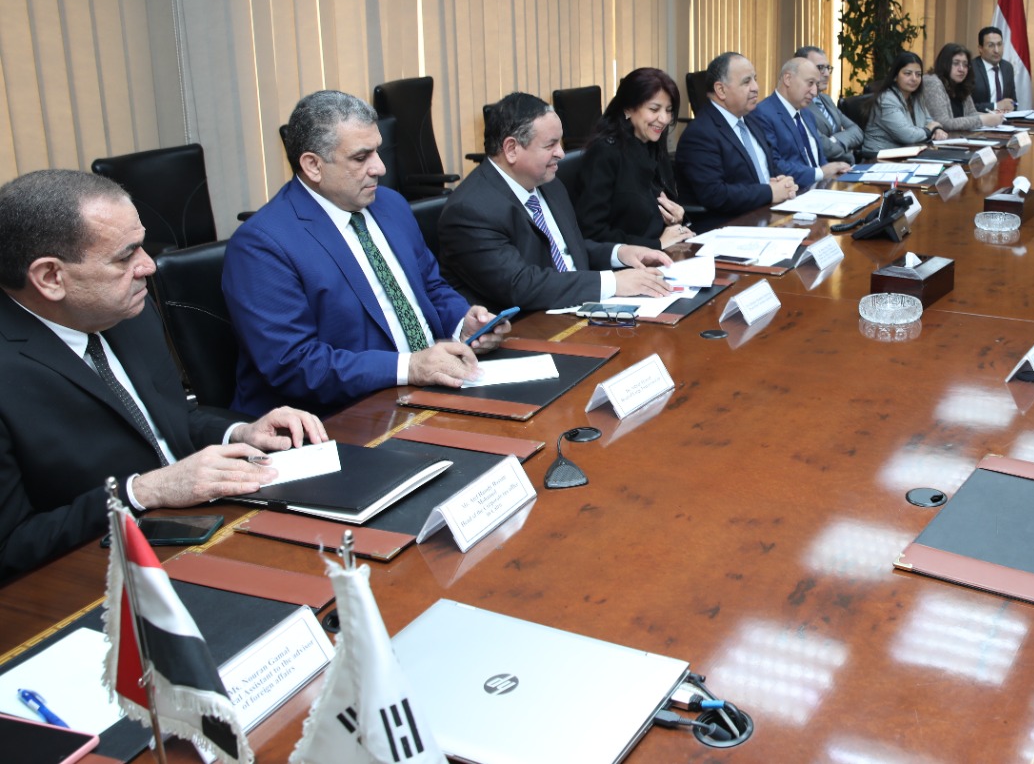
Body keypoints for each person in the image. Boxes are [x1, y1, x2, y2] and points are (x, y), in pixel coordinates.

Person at [0, 170, 328, 581]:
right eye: (126, 257)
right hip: (102, 575)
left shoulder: (125, 310)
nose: (149, 265)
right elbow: (10, 547)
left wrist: (240, 432)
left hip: (211, 525)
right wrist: (143, 491)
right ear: (51, 277)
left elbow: (166, 419)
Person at [224, 90, 511, 418]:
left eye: (378, 151)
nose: (380, 168)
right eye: (361, 158)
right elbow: (296, 364)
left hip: (432, 390)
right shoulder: (262, 245)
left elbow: (430, 287)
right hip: (340, 416)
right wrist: (409, 367)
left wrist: (463, 324)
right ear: (313, 165)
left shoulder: (391, 204)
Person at [440, 92, 675, 313]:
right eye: (550, 145)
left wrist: (619, 252)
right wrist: (613, 282)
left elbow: (565, 251)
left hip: (576, 310)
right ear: (511, 149)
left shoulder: (549, 183)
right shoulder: (470, 210)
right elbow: (520, 285)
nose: (561, 153)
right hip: (530, 327)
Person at [574, 69, 694, 249]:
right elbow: (592, 233)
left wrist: (677, 218)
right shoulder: (605, 153)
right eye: (654, 109)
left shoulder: (653, 144)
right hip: (627, 260)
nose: (664, 119)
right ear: (628, 108)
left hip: (666, 252)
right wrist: (655, 244)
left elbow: (660, 209)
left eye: (669, 110)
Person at [675, 52, 799, 219]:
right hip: (730, 223)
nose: (755, 87)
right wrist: (769, 192)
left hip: (767, 215)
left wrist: (781, 182)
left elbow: (764, 170)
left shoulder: (751, 119)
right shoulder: (700, 134)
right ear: (721, 90)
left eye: (755, 79)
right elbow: (715, 194)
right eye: (746, 82)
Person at [748, 57, 852, 190]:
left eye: (816, 85)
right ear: (788, 79)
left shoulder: (807, 114)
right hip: (794, 192)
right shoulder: (762, 113)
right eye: (810, 83)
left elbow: (819, 160)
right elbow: (774, 165)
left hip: (823, 188)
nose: (814, 92)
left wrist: (834, 171)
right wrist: (820, 173)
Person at [862, 52, 950, 154]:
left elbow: (929, 121)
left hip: (907, 152)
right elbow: (907, 135)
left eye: (918, 74)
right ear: (895, 76)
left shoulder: (915, 96)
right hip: (879, 155)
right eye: (908, 73)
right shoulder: (886, 100)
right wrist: (929, 130)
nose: (914, 78)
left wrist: (937, 129)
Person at [799, 46, 864, 162]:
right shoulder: (798, 103)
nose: (827, 74)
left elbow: (857, 131)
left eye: (828, 68)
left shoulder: (825, 99)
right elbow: (822, 146)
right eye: (820, 68)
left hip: (840, 165)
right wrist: (846, 149)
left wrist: (835, 140)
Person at [923, 43, 1005, 133]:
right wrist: (984, 120)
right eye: (956, 63)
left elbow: (971, 114)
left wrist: (992, 116)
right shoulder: (932, 82)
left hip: (959, 138)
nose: (961, 69)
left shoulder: (961, 84)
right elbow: (942, 123)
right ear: (944, 64)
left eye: (965, 65)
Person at [970, 26, 1017, 113]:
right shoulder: (970, 69)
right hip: (980, 119)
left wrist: (1012, 106)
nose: (996, 50)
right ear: (980, 48)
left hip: (1005, 120)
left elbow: (1013, 102)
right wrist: (995, 106)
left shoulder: (1007, 67)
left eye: (999, 44)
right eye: (991, 45)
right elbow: (966, 108)